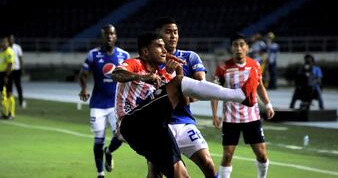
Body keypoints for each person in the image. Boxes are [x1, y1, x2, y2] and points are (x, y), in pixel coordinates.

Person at [113, 32, 256, 178]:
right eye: (159, 46)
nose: (164, 50)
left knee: (180, 175)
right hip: (131, 123)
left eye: (164, 47)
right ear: (145, 52)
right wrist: (142, 77)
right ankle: (239, 95)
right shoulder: (135, 64)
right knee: (178, 83)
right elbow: (116, 74)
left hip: (157, 129)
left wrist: (178, 71)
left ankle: (241, 95)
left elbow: (183, 101)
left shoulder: (164, 74)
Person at [154, 17, 217, 178]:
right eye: (168, 32)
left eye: (175, 32)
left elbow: (201, 86)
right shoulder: (151, 62)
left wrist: (192, 92)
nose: (173, 36)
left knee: (208, 164)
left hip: (184, 122)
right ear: (158, 35)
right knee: (155, 173)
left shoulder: (189, 57)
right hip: (160, 126)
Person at [211, 33, 275, 178]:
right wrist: (215, 115)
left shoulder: (255, 65)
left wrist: (268, 104)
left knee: (262, 154)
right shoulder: (223, 67)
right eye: (235, 45)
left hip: (252, 118)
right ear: (231, 48)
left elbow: (259, 86)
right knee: (227, 155)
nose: (238, 48)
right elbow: (215, 92)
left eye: (241, 45)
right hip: (230, 119)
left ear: (247, 47)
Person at [78, 24, 130, 178]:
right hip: (98, 105)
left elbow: (131, 76)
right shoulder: (93, 55)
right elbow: (83, 74)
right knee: (98, 140)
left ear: (116, 36)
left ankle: (109, 152)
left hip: (116, 105)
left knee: (122, 136)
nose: (109, 37)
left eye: (112, 34)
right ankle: (100, 173)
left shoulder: (124, 55)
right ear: (102, 36)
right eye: (106, 34)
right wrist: (84, 89)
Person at [0, 36, 15, 119]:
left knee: (9, 93)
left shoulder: (9, 52)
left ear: (8, 43)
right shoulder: (2, 52)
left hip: (7, 74)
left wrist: (6, 76)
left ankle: (11, 113)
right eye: (2, 42)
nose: (3, 44)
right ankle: (5, 113)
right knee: (2, 94)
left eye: (5, 42)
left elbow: (10, 64)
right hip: (1, 74)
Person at [9, 34, 25, 107]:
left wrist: (22, 68)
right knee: (9, 86)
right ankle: (10, 102)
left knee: (18, 86)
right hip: (9, 70)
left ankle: (21, 101)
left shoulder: (17, 47)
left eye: (12, 39)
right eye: (10, 39)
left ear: (14, 40)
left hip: (17, 69)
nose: (11, 40)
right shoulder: (6, 48)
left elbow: (21, 58)